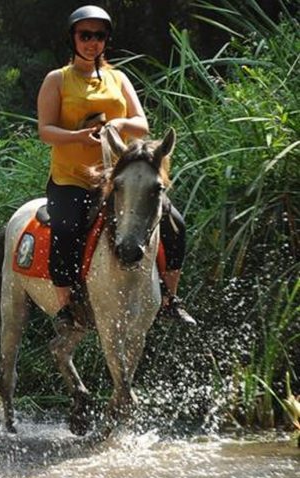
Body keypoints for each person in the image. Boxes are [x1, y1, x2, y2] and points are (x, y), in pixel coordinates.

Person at [36, 5, 196, 331]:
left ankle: (170, 299)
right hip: (73, 179)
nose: (92, 42)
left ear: (106, 40)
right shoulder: (58, 80)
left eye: (99, 36)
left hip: (119, 178)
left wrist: (119, 122)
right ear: (73, 38)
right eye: (85, 35)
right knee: (66, 229)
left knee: (174, 224)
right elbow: (46, 131)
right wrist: (79, 136)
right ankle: (66, 308)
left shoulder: (118, 78)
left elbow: (141, 124)